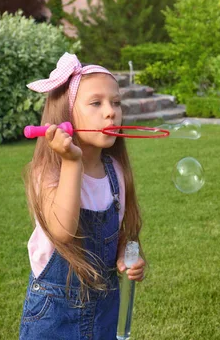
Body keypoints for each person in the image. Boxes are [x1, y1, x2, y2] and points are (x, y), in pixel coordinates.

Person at [19, 53, 146, 339]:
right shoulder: (48, 173)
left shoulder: (115, 172)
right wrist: (72, 161)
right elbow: (62, 232)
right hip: (54, 316)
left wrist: (130, 257)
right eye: (96, 103)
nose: (111, 111)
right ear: (66, 116)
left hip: (105, 311)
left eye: (116, 103)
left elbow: (119, 236)